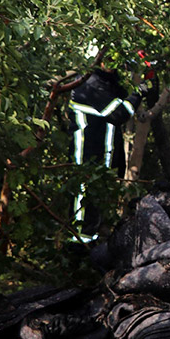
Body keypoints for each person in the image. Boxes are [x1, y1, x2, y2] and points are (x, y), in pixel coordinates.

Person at [69, 58, 157, 242]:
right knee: (84, 198)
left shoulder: (107, 82)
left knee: (96, 202)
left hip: (102, 158)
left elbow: (122, 97)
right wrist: (139, 91)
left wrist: (146, 73)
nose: (113, 63)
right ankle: (78, 246)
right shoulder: (90, 84)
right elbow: (119, 113)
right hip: (87, 156)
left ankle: (91, 242)